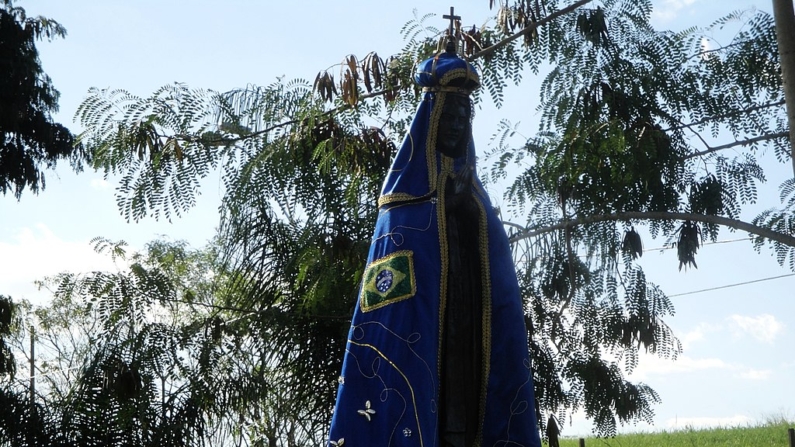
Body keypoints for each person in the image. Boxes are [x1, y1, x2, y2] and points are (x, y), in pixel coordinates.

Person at [327, 50, 542, 447]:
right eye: (450, 116)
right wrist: (445, 206)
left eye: (464, 118)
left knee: (471, 398)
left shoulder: (479, 202)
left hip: (471, 323)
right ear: (432, 119)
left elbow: (500, 286)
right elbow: (387, 309)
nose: (458, 126)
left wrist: (466, 211)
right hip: (425, 335)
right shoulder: (402, 206)